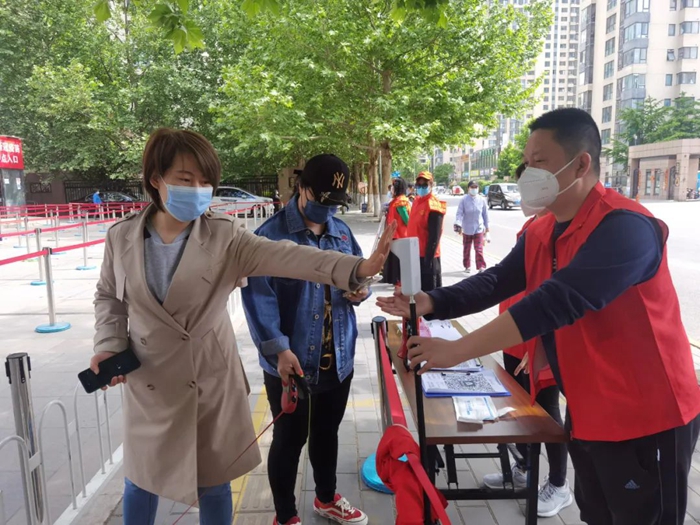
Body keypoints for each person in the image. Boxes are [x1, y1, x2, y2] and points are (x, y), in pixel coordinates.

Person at [378, 108, 700, 525]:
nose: (528, 172)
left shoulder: (627, 227)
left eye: (540, 161)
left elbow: (555, 302)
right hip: (587, 408)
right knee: (597, 516)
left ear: (580, 164)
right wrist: (430, 301)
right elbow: (497, 281)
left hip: (647, 416)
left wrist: (455, 350)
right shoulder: (543, 229)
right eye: (527, 162)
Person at [89, 130, 395, 525]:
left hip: (209, 378)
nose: (197, 190)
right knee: (140, 481)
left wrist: (358, 268)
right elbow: (109, 297)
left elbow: (291, 258)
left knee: (215, 484)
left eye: (205, 181)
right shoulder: (121, 237)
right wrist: (109, 343)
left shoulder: (225, 236)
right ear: (156, 179)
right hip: (150, 380)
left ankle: (318, 497)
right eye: (185, 179)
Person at [242, 154, 371, 525]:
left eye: (335, 203)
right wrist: (278, 350)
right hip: (292, 362)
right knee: (289, 439)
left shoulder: (341, 232)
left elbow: (359, 274)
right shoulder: (269, 237)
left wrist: (360, 291)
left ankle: (326, 498)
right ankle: (285, 516)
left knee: (327, 433)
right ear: (302, 188)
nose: (327, 210)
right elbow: (258, 300)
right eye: (321, 200)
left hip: (338, 357)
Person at [481, 163, 572, 518]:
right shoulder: (532, 226)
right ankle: (523, 468)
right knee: (519, 408)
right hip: (514, 338)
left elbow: (555, 297)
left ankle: (559, 484)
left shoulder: (559, 232)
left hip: (538, 342)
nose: (524, 196)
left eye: (529, 188)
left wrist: (537, 344)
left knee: (546, 414)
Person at [406, 171, 446, 292]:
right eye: (419, 185)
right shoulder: (417, 201)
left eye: (424, 185)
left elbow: (435, 236)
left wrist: (428, 260)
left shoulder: (434, 205)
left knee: (429, 293)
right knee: (416, 291)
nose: (421, 188)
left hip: (428, 256)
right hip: (415, 253)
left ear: (431, 185)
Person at [454, 180, 489, 274]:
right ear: (468, 188)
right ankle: (467, 266)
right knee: (467, 249)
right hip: (467, 228)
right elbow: (459, 213)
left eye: (475, 187)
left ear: (478, 188)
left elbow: (485, 215)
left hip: (479, 228)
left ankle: (481, 266)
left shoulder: (482, 200)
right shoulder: (464, 200)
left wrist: (487, 229)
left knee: (479, 249)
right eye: (472, 187)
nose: (474, 189)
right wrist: (458, 224)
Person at [382, 177, 412, 285]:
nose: (392, 189)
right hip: (394, 234)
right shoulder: (396, 200)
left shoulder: (401, 202)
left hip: (400, 235)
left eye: (393, 187)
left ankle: (399, 280)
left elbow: (407, 220)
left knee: (397, 260)